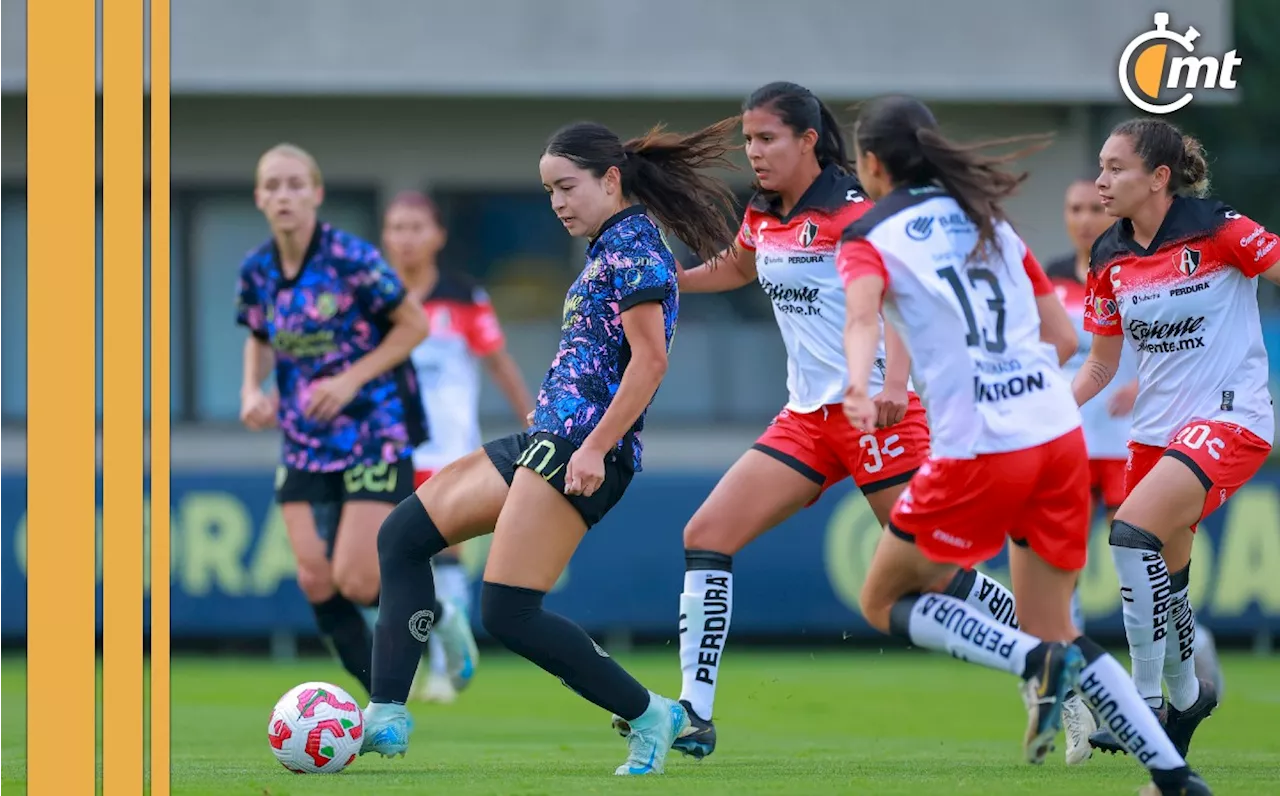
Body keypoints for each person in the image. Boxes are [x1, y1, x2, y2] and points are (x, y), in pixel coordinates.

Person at [837, 96, 1211, 796]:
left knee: (884, 600)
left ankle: (1031, 660)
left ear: (872, 164)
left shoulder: (869, 234)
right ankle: (1174, 777)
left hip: (983, 446)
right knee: (1057, 626)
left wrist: (861, 385)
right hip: (1056, 435)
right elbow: (1066, 342)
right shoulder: (992, 224)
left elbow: (860, 315)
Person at [360, 116, 743, 776]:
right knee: (401, 536)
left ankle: (652, 714)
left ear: (611, 179)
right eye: (548, 192)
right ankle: (386, 714)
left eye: (567, 187)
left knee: (507, 610)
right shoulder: (608, 248)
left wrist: (595, 447)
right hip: (549, 438)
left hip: (582, 451)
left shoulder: (635, 252)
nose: (558, 202)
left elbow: (649, 364)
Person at [653, 81, 1017, 760]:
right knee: (705, 534)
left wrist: (895, 385)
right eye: (748, 141)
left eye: (766, 140)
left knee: (935, 572)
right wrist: (666, 280)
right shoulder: (763, 211)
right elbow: (738, 267)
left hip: (878, 413)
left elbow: (900, 303)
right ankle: (695, 714)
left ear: (808, 141)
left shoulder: (856, 212)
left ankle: (1055, 658)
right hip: (807, 419)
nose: (753, 154)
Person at [236, 144, 476, 699]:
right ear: (258, 198)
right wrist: (252, 390)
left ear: (317, 194)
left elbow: (413, 325)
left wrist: (349, 381)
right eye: (272, 185)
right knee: (315, 580)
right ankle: (382, 705)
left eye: (296, 184)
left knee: (359, 578)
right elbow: (258, 334)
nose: (284, 195)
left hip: (374, 432)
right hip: (302, 440)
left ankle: (440, 616)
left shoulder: (352, 259)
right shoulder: (256, 270)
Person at [1076, 118, 1278, 759]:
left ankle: (1142, 705)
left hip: (1230, 418)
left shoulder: (1218, 227)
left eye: (1115, 169)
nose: (1101, 181)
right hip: (1153, 437)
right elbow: (1101, 366)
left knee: (1130, 532)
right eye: (1101, 167)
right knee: (1167, 576)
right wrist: (1046, 410)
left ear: (1158, 177)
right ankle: (1188, 695)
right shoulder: (1109, 254)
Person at [381, 190, 535, 704]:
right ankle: (420, 653)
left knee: (444, 555)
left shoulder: (464, 296)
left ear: (438, 236)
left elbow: (499, 363)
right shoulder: (373, 297)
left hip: (446, 451)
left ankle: (445, 669)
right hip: (384, 449)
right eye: (397, 228)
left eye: (416, 227)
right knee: (376, 560)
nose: (406, 238)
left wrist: (534, 420)